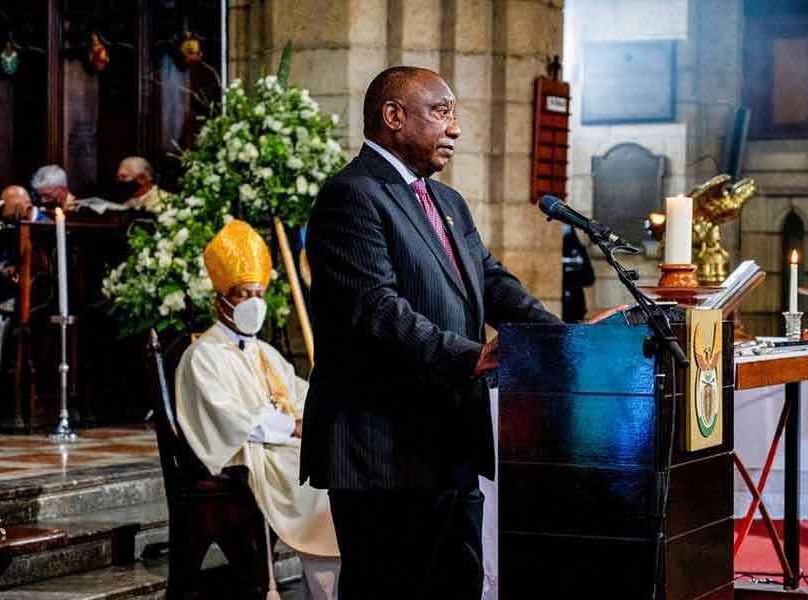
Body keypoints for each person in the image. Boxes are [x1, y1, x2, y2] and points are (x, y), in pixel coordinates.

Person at [301, 66, 563, 600]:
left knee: (458, 585)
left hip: (450, 443)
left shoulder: (447, 201)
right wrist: (472, 356)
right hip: (383, 449)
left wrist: (561, 339)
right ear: (394, 116)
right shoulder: (351, 195)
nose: (456, 128)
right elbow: (376, 310)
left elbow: (494, 284)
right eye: (442, 112)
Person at [175, 220, 339, 599]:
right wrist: (293, 428)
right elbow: (230, 419)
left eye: (259, 294)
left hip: (280, 448)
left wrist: (325, 415)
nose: (254, 303)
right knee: (324, 482)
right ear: (222, 300)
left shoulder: (264, 352)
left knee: (339, 464)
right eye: (244, 294)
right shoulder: (204, 355)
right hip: (248, 456)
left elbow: (302, 395)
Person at [561, 224, 595, 322]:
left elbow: (590, 278)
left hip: (575, 305)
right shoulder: (553, 251)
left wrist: (572, 278)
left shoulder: (579, 250)